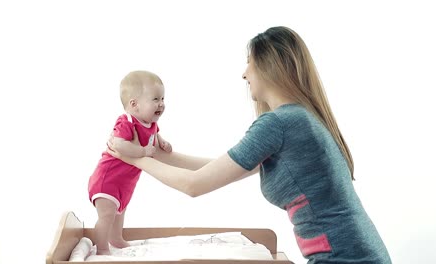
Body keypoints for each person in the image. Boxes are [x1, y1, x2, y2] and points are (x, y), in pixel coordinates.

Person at [107, 27, 392, 263]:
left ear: (269, 67)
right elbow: (216, 168)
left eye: (249, 63)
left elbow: (193, 185)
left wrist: (134, 158)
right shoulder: (299, 119)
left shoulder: (279, 123)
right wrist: (156, 153)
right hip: (359, 253)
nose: (244, 74)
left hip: (346, 258)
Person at [88, 70, 172, 255]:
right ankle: (102, 249)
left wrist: (162, 142)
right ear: (134, 105)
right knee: (107, 216)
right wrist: (142, 151)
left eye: (163, 98)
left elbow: (153, 135)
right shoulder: (126, 122)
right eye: (156, 99)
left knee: (119, 214)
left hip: (124, 182)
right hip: (107, 179)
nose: (162, 104)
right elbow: (118, 144)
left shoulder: (151, 123)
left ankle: (116, 240)